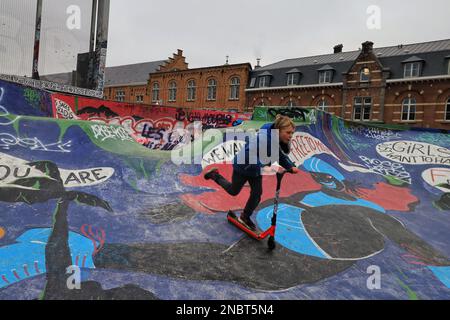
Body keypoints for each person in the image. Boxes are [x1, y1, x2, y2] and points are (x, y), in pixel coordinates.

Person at [204, 115, 299, 231]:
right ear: (278, 130)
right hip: (242, 166)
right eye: (288, 133)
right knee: (233, 191)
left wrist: (290, 166)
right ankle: (215, 175)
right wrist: (263, 167)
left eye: (292, 133)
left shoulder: (276, 139)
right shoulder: (263, 139)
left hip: (255, 171)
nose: (290, 136)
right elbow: (249, 154)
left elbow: (279, 155)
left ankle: (245, 217)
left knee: (257, 194)